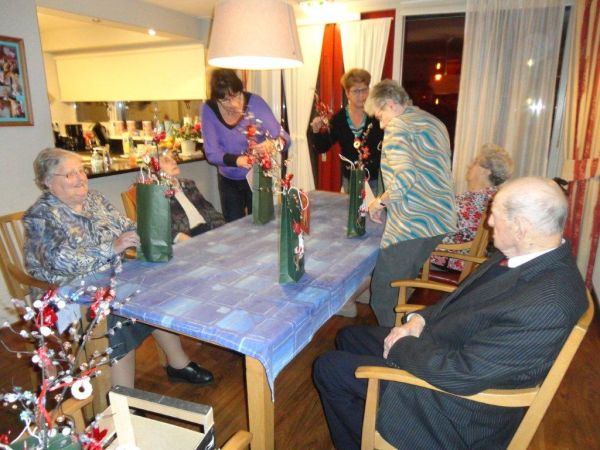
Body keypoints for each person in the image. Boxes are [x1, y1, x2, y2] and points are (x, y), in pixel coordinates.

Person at [313, 176, 588, 450]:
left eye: (494, 214)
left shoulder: (548, 303)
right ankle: (366, 422)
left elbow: (462, 374)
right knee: (349, 337)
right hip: (451, 348)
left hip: (455, 411)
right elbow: (460, 301)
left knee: (330, 369)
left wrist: (400, 346)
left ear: (520, 227)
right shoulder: (525, 256)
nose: (489, 222)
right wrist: (419, 320)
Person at [23, 148, 214, 388]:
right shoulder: (40, 216)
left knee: (154, 289)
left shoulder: (95, 199)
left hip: (111, 277)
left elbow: (126, 226)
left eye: (82, 170)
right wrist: (112, 248)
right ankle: (123, 396)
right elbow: (59, 261)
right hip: (65, 293)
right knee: (117, 314)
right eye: (70, 174)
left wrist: (166, 236)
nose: (81, 178)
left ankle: (178, 363)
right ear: (47, 181)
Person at [364, 80, 457, 327]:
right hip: (440, 219)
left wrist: (379, 202)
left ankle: (395, 344)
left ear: (390, 104)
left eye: (380, 116)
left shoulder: (398, 126)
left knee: (383, 296)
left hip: (413, 224)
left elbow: (405, 177)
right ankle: (407, 329)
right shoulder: (434, 122)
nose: (381, 125)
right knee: (402, 284)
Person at [201, 69, 291, 222]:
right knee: (234, 227)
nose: (233, 103)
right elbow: (212, 153)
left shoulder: (256, 103)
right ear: (216, 98)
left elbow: (285, 139)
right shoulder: (209, 109)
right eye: (225, 100)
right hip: (228, 180)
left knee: (262, 223)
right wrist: (238, 160)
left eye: (236, 95)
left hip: (257, 176)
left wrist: (273, 144)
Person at [431, 143, 514, 271]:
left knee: (403, 251)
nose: (469, 166)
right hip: (463, 260)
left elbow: (437, 228)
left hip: (449, 259)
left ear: (486, 171)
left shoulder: (473, 201)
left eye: (475, 162)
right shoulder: (492, 197)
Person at [309, 68, 384, 194]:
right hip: (350, 181)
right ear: (347, 93)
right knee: (351, 207)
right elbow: (321, 147)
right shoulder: (339, 119)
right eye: (356, 91)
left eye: (364, 90)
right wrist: (316, 131)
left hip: (374, 181)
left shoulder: (377, 116)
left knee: (374, 208)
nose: (361, 95)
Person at [125, 151, 226, 243]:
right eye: (166, 160)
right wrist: (187, 241)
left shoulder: (187, 184)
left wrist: (223, 228)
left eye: (173, 158)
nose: (174, 162)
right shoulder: (153, 193)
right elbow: (158, 227)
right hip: (186, 237)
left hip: (207, 230)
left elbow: (209, 210)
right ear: (153, 168)